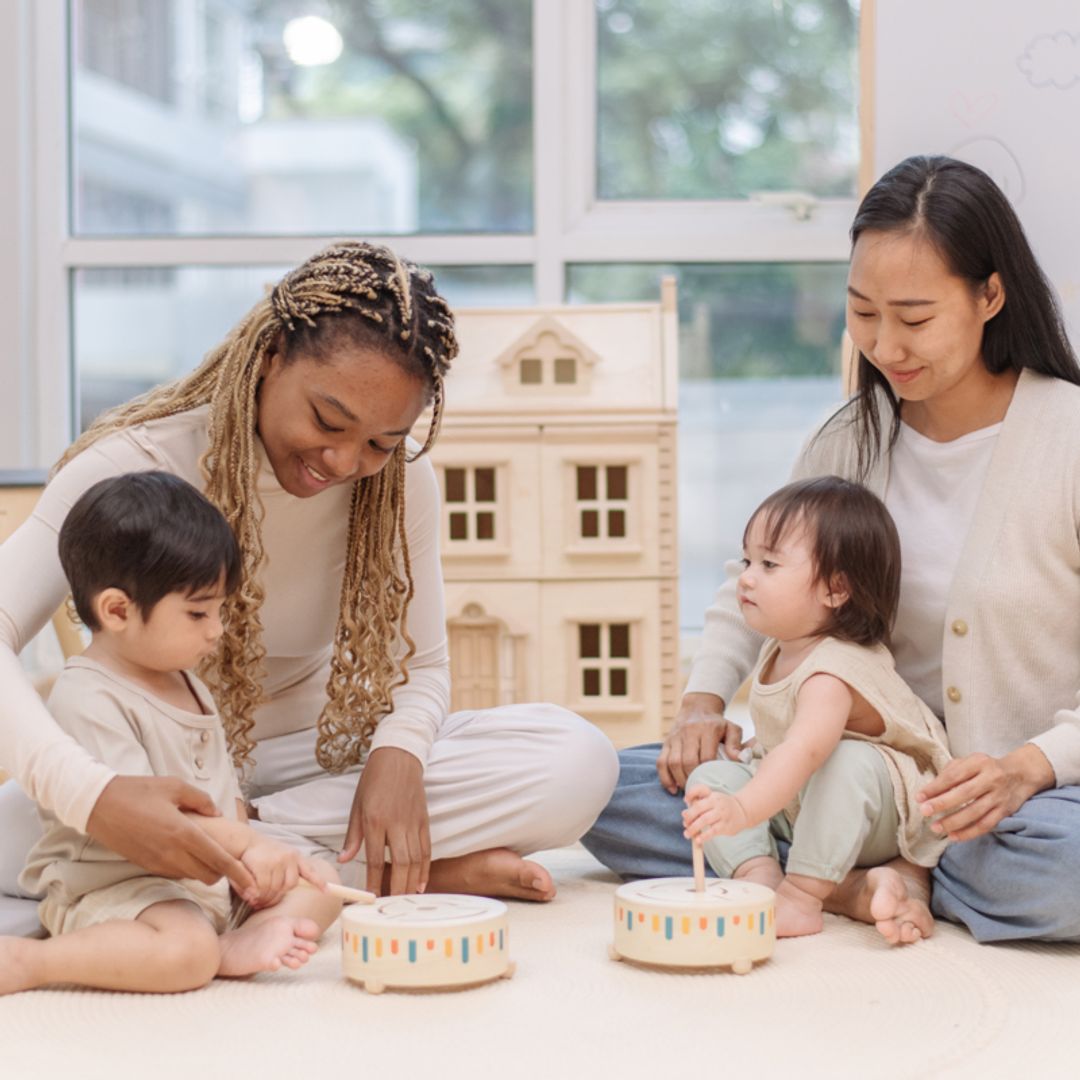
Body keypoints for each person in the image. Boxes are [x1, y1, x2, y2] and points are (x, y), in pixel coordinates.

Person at [0, 240, 618, 914]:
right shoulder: (131, 466)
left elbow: (424, 669)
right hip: (153, 760)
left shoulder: (403, 483)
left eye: (382, 441)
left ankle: (250, 855)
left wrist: (399, 758)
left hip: (317, 755)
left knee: (578, 763)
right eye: (329, 420)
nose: (348, 460)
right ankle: (356, 870)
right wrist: (96, 797)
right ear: (270, 358)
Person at [584, 154, 1080, 945]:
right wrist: (702, 704)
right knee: (607, 792)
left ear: (991, 294)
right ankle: (862, 875)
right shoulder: (847, 441)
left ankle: (836, 871)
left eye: (914, 319)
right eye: (862, 311)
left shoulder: (1069, 439)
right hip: (843, 775)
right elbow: (753, 578)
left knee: (1067, 867)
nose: (886, 344)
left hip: (1020, 800)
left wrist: (1026, 767)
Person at [0, 472, 342, 994]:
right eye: (198, 612)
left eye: (220, 609)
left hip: (198, 880)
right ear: (117, 610)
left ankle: (239, 938)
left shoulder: (184, 679)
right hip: (119, 887)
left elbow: (214, 795)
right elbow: (156, 821)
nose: (216, 629)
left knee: (324, 882)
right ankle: (29, 961)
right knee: (184, 951)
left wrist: (253, 862)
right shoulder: (89, 696)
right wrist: (246, 848)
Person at [682, 476, 950, 939]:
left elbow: (804, 751)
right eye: (747, 560)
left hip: (889, 811)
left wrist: (744, 810)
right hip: (812, 806)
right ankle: (761, 878)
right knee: (710, 778)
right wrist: (733, 791)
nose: (745, 576)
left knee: (844, 760)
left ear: (835, 589)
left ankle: (802, 897)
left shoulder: (832, 671)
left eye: (769, 564)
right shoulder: (782, 645)